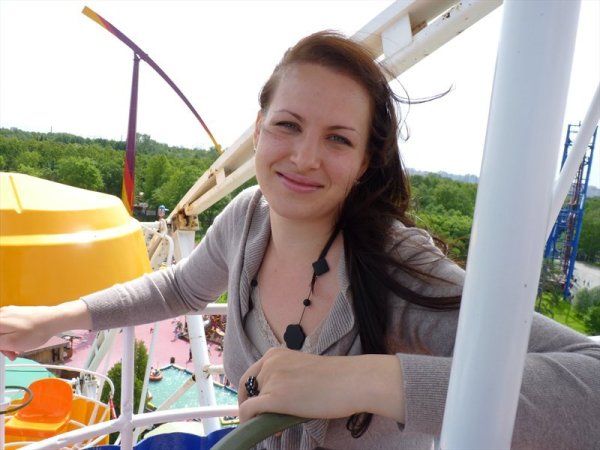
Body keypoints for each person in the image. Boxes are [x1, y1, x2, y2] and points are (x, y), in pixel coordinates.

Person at [1, 31, 599, 449]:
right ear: (260, 129)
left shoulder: (397, 269)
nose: (305, 157)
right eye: (288, 125)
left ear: (365, 162)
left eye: (338, 138)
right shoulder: (247, 219)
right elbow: (180, 287)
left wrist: (367, 381)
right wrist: (56, 317)